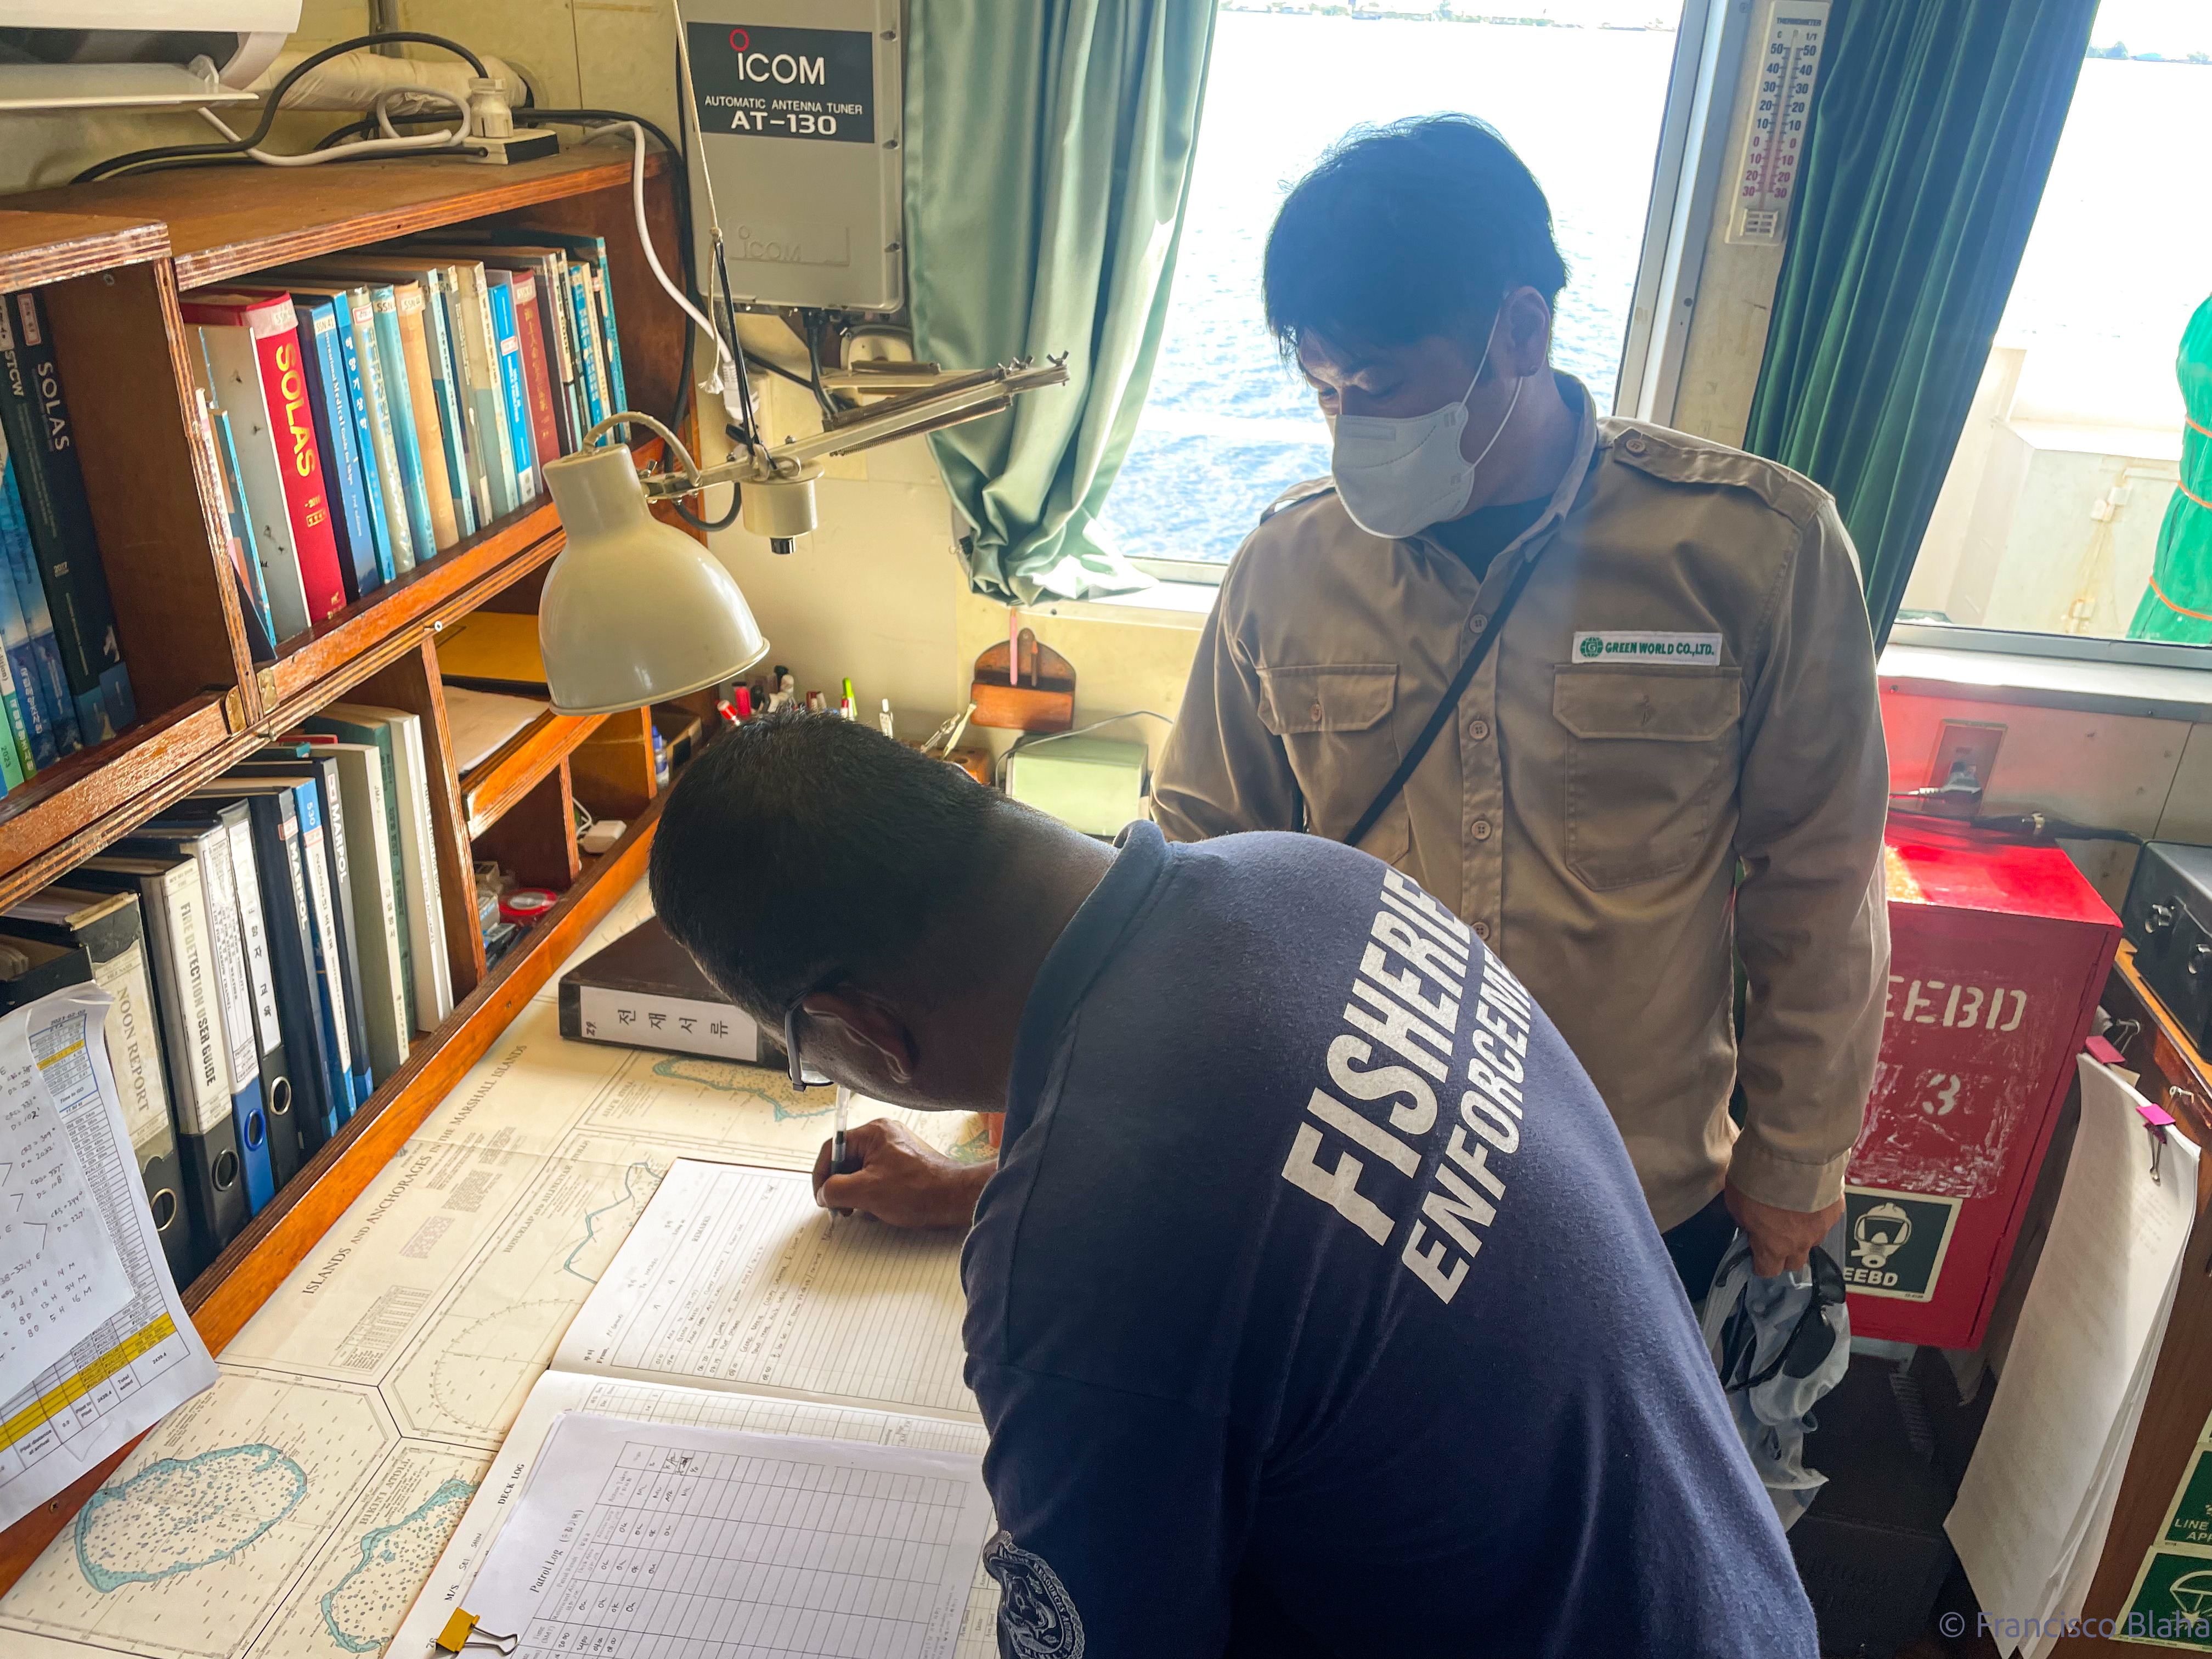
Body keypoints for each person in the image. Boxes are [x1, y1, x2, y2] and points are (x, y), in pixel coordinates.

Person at [849, 114, 1893, 1294]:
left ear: (1521, 330)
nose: (1354, 425)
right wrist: (1026, 1125)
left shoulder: (1755, 550)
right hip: (1350, 1185)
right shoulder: (1286, 570)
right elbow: (1191, 878)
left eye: (1384, 386)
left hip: (1633, 1200)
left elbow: (1822, 879)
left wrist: (1796, 1159)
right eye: (1326, 390)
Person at [650, 710, 1819, 1658]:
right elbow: (1285, 1197)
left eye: (808, 1058)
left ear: (861, 1030)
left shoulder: (1079, 1255)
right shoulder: (1300, 879)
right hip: (1730, 1600)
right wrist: (979, 1186)